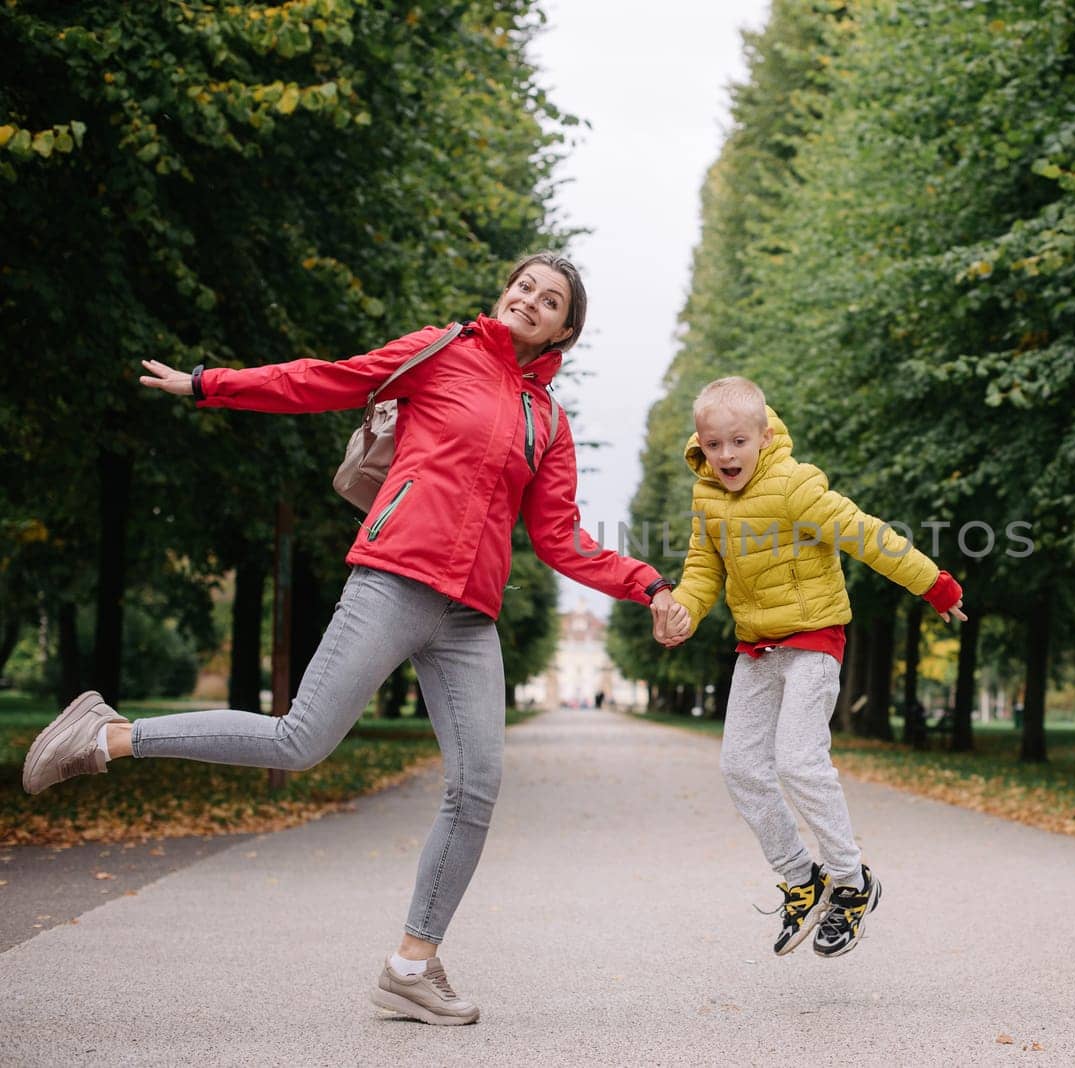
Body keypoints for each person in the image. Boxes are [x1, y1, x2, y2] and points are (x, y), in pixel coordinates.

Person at [21, 252, 689, 1026]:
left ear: (566, 328)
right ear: (505, 293)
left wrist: (649, 584)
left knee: (476, 789)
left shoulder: (549, 421)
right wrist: (211, 384)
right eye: (523, 287)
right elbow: (325, 379)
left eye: (550, 300)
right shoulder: (442, 351)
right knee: (300, 739)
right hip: (395, 577)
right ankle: (108, 734)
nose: (530, 301)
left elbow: (562, 537)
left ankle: (413, 965)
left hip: (468, 616)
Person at [659, 376, 966, 958]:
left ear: (764, 436)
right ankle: (803, 877)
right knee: (740, 768)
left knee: (798, 760)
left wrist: (936, 585)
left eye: (739, 442)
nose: (727, 456)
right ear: (700, 444)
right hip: (757, 651)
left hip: (814, 643)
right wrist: (685, 610)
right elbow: (703, 569)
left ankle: (851, 883)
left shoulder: (796, 486)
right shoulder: (706, 499)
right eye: (715, 444)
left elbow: (868, 536)